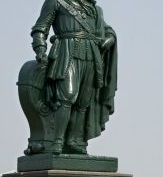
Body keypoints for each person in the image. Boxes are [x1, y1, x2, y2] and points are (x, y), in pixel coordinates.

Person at [31, 0, 118, 154]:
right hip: (67, 52)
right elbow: (40, 29)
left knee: (84, 101)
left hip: (91, 55)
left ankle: (74, 140)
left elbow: (108, 30)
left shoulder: (94, 9)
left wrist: (109, 39)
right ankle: (58, 141)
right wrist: (40, 50)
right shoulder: (56, 2)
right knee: (67, 96)